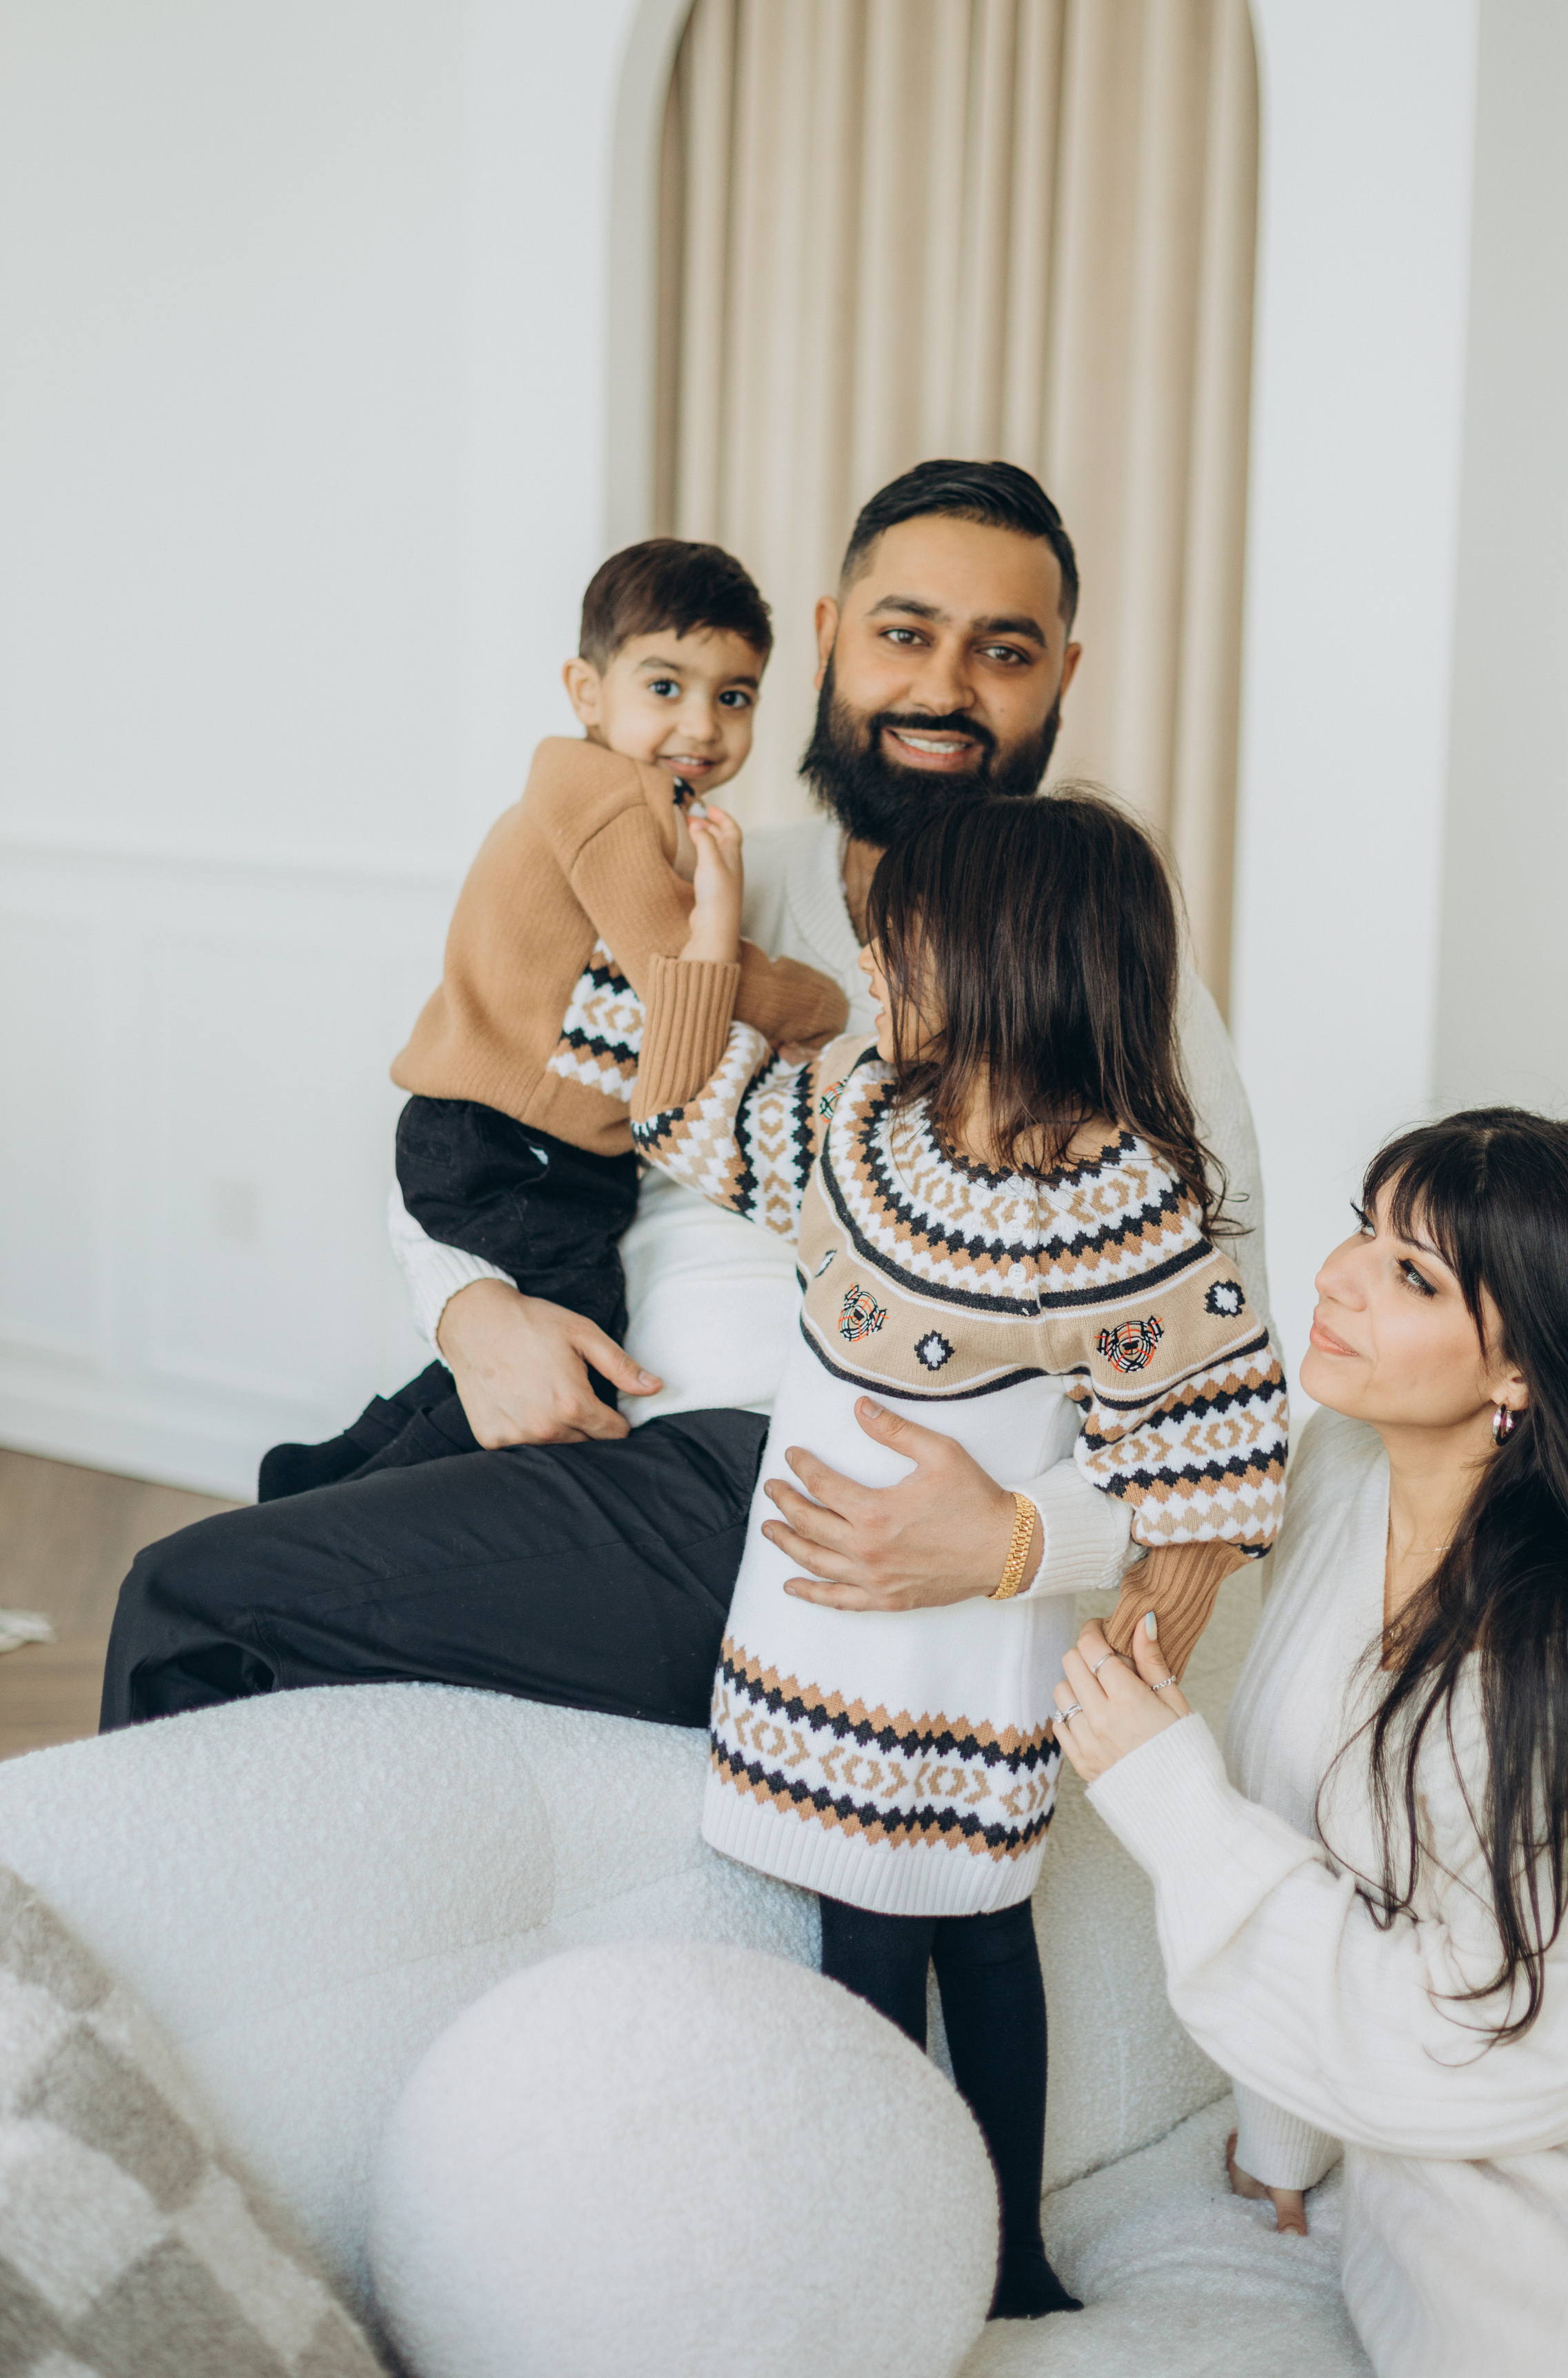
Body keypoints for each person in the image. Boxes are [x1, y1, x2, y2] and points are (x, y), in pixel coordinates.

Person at [101, 459, 1271, 1733]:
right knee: (272, 1551)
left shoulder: (1114, 997)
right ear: (827, 645)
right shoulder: (703, 879)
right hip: (596, 1435)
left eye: (1003, 650)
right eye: (905, 635)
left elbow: (1214, 1381)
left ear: (1062, 676)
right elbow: (492, 1106)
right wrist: (474, 1313)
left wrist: (1022, 1540)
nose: (944, 688)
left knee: (193, 1600)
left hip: (773, 1487)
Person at [630, 788, 1286, 2317]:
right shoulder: (863, 1130)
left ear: (1009, 967)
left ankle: (996, 2258)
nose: (873, 978)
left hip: (971, 1664)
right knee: (858, 1927)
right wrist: (710, 931)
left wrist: (1055, 1585)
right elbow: (679, 1111)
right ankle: (889, 2234)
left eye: (901, 952)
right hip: (811, 1640)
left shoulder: (1144, 1221)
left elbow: (1205, 1480)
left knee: (976, 1936)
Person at [1052, 1110, 1568, 2377]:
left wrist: (1165, 1793)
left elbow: (1487, 2047)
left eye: (1411, 1274)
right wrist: (1280, 2147)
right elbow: (1299, 1809)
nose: (1338, 1277)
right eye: (1361, 1230)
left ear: (1523, 1374)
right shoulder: (1343, 1470)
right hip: (1439, 2140)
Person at [260, 539, 846, 1497]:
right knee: (568, 1353)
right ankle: (347, 1520)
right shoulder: (611, 800)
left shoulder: (643, 809)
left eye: (733, 696)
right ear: (587, 689)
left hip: (524, 1141)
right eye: (666, 686)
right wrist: (810, 1002)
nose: (701, 722)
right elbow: (676, 967)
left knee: (532, 1341)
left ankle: (324, 1478)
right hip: (509, 1137)